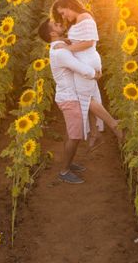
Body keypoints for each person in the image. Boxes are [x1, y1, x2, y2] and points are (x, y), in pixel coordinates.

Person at [51, 0, 123, 149]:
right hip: (84, 61)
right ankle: (95, 134)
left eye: (64, 12)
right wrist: (65, 42)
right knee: (88, 98)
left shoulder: (85, 16)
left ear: (70, 5)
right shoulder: (78, 20)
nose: (64, 16)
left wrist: (67, 48)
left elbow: (89, 42)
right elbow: (79, 40)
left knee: (86, 99)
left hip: (87, 61)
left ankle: (113, 125)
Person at [38, 17, 101, 184]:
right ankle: (64, 171)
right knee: (75, 136)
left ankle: (70, 163)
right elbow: (79, 67)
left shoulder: (61, 46)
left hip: (70, 95)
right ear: (52, 33)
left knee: (71, 133)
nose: (61, 24)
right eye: (57, 24)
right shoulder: (59, 52)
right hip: (70, 98)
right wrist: (95, 74)